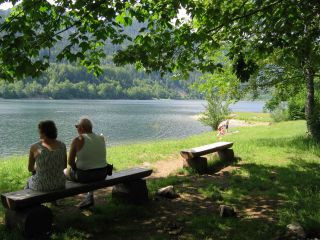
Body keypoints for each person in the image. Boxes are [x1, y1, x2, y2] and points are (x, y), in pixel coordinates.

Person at [64, 118, 107, 209]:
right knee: (89, 169)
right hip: (103, 173)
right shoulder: (101, 138)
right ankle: (89, 196)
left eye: (77, 127)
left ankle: (54, 200)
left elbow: (70, 162)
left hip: (85, 176)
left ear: (82, 128)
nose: (77, 129)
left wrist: (75, 169)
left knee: (64, 171)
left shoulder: (77, 140)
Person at [27, 120, 67, 192]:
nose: (38, 132)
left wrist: (39, 167)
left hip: (42, 186)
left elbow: (30, 169)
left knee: (29, 181)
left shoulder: (34, 147)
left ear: (43, 132)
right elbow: (64, 166)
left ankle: (30, 202)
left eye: (39, 131)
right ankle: (53, 202)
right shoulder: (62, 145)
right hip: (60, 183)